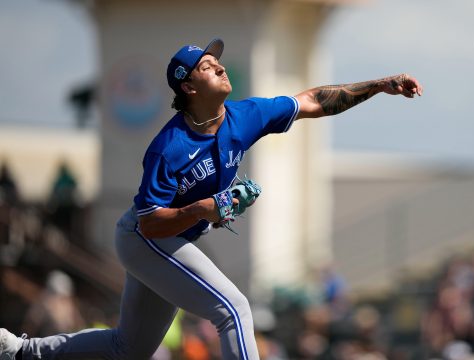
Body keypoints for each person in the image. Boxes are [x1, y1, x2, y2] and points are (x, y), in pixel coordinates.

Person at [0, 37, 422, 360]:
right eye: (206, 64)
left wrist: (380, 85)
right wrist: (209, 207)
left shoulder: (245, 116)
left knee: (128, 349)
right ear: (187, 86)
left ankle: (21, 352)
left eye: (216, 59)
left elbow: (312, 100)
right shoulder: (168, 146)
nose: (218, 64)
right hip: (145, 236)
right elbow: (150, 223)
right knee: (234, 310)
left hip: (170, 235)